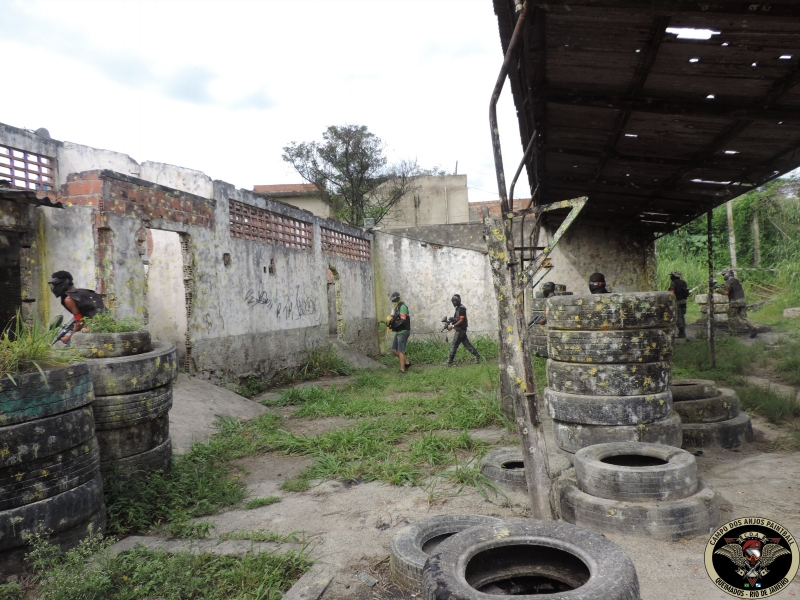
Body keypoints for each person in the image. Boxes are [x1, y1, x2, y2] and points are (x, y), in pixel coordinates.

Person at [48, 271, 105, 344]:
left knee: (70, 345)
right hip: (107, 327)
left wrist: (69, 338)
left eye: (55, 285)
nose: (54, 288)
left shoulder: (69, 299)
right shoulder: (87, 292)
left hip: (94, 331)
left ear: (64, 283)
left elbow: (79, 323)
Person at [444, 294, 481, 366]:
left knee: (454, 345)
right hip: (461, 330)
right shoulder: (458, 308)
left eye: (455, 301)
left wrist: (452, 326)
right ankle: (477, 356)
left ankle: (449, 362)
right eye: (453, 301)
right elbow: (458, 319)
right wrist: (453, 319)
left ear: (458, 301)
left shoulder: (461, 308)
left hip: (460, 330)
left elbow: (461, 320)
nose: (454, 302)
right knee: (467, 345)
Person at [720, 269, 758, 338]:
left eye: (724, 274)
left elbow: (726, 292)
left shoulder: (729, 281)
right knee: (743, 317)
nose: (724, 276)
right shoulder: (736, 281)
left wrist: (717, 290)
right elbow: (733, 289)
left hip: (734, 302)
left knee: (732, 318)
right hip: (742, 301)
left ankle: (733, 333)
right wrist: (724, 287)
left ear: (727, 274)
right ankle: (753, 327)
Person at [387, 291, 410, 372]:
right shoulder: (396, 308)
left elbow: (402, 320)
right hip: (398, 332)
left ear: (399, 299)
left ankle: (402, 369)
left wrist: (394, 325)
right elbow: (395, 319)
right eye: (393, 300)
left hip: (403, 331)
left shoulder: (403, 307)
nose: (394, 301)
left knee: (401, 351)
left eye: (395, 300)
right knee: (393, 350)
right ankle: (406, 363)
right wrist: (390, 323)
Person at [668, 270, 690, 339]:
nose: (670, 277)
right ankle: (682, 331)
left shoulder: (673, 283)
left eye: (671, 276)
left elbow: (671, 293)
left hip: (677, 302)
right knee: (682, 316)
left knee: (677, 317)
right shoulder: (684, 282)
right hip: (683, 301)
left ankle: (682, 332)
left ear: (674, 276)